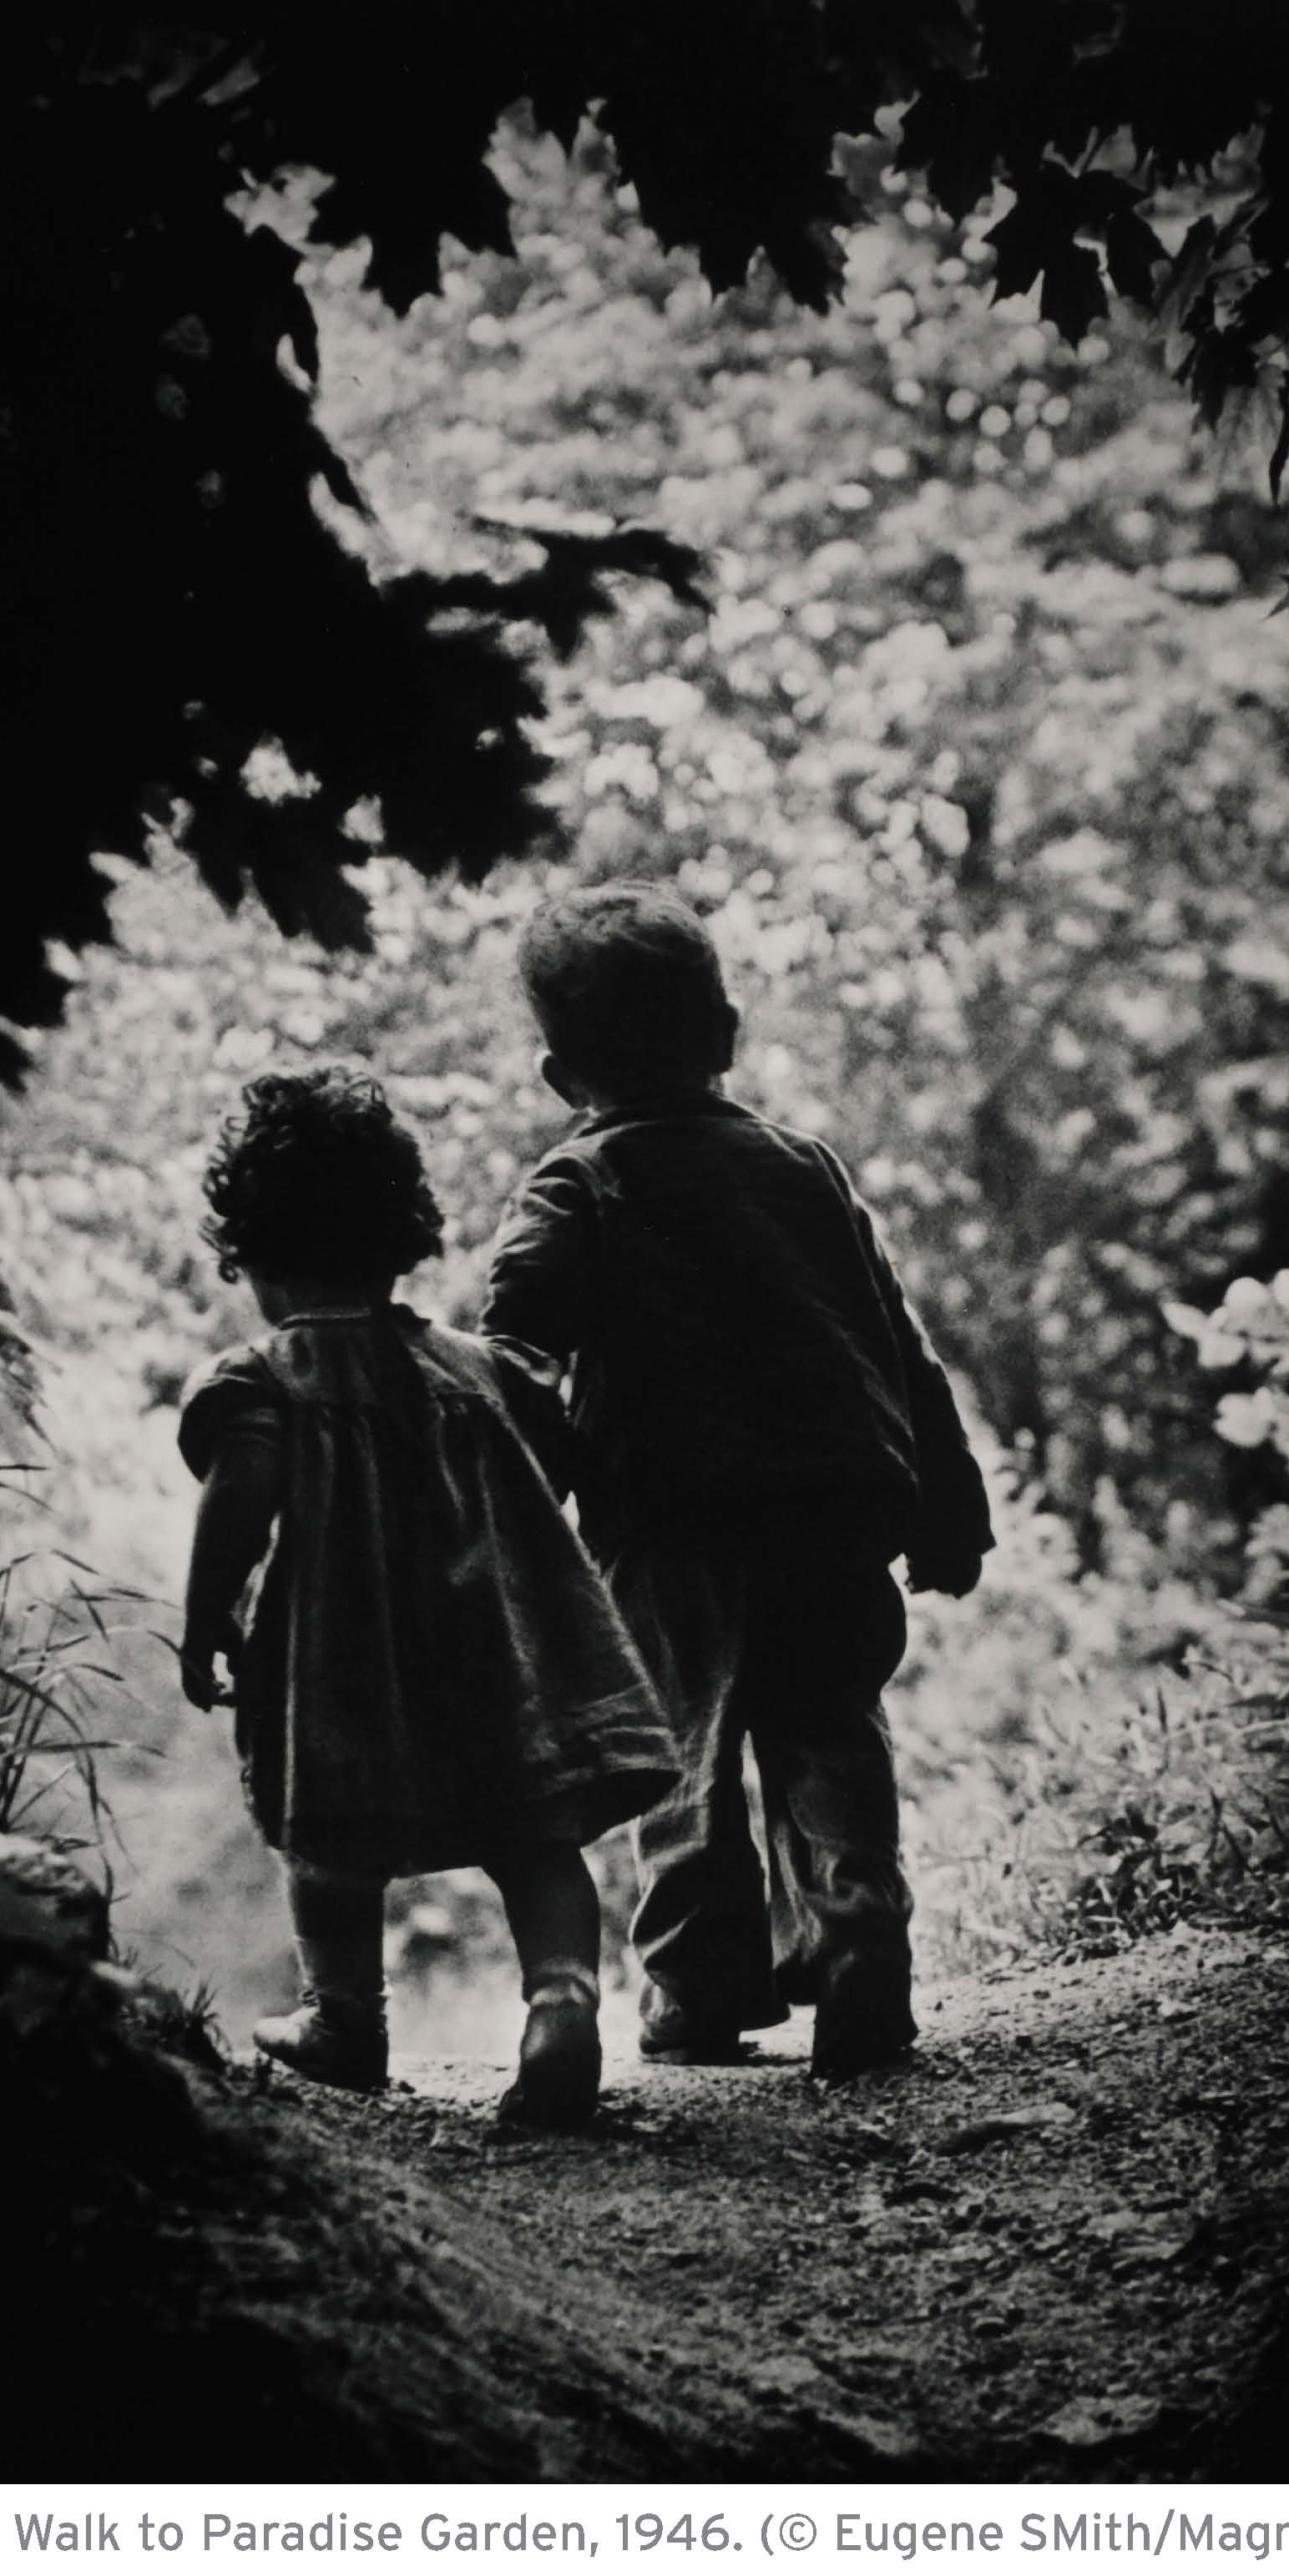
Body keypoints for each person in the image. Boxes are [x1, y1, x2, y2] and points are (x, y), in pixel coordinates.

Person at [482, 883, 993, 2080]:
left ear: (562, 1076)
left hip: (674, 1521)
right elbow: (896, 1339)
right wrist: (948, 1500)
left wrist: (525, 1475)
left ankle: (701, 1992)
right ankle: (862, 1934)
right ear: (727, 1032)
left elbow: (515, 1336)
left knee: (683, 1758)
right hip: (834, 1502)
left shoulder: (579, 1181)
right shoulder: (804, 1167)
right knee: (829, 1732)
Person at [173, 1065, 678, 2130]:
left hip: (342, 1669)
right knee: (536, 1842)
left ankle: (345, 2019)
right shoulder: (475, 1367)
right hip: (498, 1654)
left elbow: (241, 1499)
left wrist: (204, 1615)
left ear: (250, 1254)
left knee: (325, 1849)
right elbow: (560, 1452)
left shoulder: (265, 1379)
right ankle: (561, 2006)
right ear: (402, 1234)